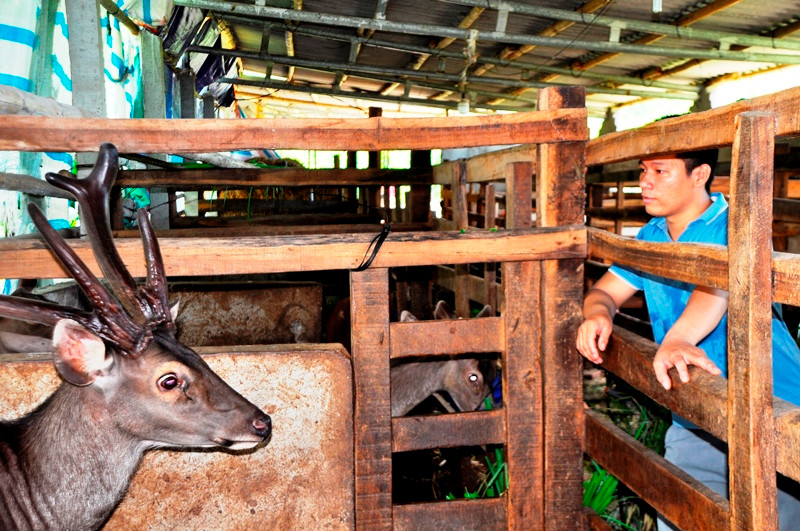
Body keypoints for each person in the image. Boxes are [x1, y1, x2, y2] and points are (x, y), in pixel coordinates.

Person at [576, 149, 800, 529]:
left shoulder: (734, 223)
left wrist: (678, 337)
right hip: (694, 409)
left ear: (700, 175)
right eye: (643, 169)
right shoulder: (651, 235)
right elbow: (604, 292)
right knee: (681, 513)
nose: (645, 181)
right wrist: (599, 313)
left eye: (661, 171)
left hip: (774, 406)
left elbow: (718, 288)